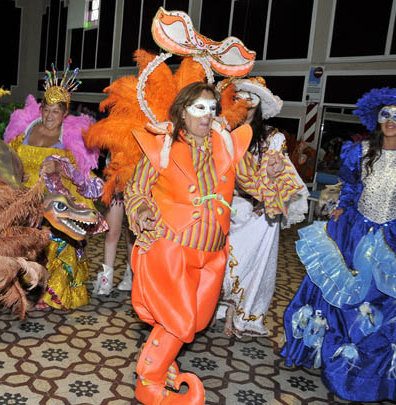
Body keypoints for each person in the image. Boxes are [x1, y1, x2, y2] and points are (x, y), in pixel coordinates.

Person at [126, 81, 288, 403]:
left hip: (213, 253)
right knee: (179, 319)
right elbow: (136, 188)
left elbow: (255, 184)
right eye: (198, 108)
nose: (206, 115)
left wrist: (271, 173)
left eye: (212, 108)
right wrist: (142, 210)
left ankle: (165, 358)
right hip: (171, 247)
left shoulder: (226, 145)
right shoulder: (164, 146)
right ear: (182, 113)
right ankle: (150, 380)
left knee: (197, 320)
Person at [281, 88, 396, 402]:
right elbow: (350, 189)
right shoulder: (360, 151)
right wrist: (342, 208)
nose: (391, 120)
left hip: (390, 241)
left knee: (378, 304)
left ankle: (367, 374)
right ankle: (329, 355)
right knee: (338, 295)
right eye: (386, 114)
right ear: (377, 118)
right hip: (353, 234)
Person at [215, 77, 308, 337]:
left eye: (251, 98)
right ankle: (218, 307)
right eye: (239, 96)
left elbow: (278, 175)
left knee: (252, 266)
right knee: (219, 261)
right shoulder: (220, 133)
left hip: (258, 215)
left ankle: (242, 315)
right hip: (223, 210)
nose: (245, 102)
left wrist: (269, 186)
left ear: (259, 106)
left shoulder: (272, 137)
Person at [4, 64, 101, 310]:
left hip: (53, 195)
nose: (49, 116)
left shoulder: (70, 138)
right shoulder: (24, 129)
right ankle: (14, 287)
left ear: (64, 113)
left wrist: (60, 169)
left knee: (55, 236)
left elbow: (81, 175)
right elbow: (10, 157)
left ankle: (51, 290)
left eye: (55, 112)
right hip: (21, 194)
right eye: (46, 110)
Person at [91, 190, 134, 295]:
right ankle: (106, 279)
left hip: (138, 180)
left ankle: (131, 275)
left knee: (133, 231)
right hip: (118, 180)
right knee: (112, 230)